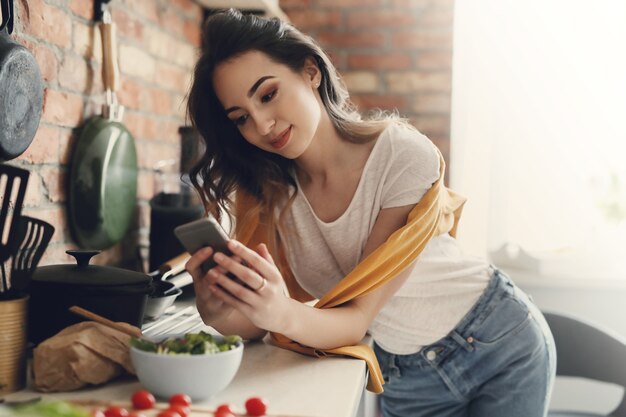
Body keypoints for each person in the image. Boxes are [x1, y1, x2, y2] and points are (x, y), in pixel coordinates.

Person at [184, 8, 556, 417]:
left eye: (268, 94)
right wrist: (218, 308)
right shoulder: (268, 193)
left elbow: (354, 318)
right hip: (404, 374)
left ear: (311, 72)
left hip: (498, 344)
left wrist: (277, 310)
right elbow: (263, 321)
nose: (263, 125)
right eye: (241, 118)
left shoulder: (402, 156)